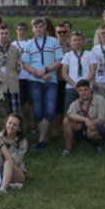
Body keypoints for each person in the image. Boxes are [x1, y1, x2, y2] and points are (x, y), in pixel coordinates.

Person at [22, 18, 64, 148]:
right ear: (33, 29)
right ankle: (43, 139)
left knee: (50, 111)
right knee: (38, 112)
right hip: (35, 80)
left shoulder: (53, 41)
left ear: (44, 27)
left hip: (51, 80)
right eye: (36, 27)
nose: (38, 29)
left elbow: (60, 61)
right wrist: (38, 73)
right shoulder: (29, 44)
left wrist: (46, 70)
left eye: (40, 26)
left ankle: (41, 139)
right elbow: (25, 64)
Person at [62, 80, 105, 154]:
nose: (83, 93)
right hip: (85, 129)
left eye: (85, 89)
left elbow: (102, 120)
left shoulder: (99, 99)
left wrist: (83, 125)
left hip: (101, 128)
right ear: (77, 92)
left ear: (90, 90)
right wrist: (85, 120)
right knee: (66, 120)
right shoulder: (75, 103)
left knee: (90, 132)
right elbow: (69, 114)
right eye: (80, 90)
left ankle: (99, 144)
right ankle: (68, 148)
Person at [0, 24, 23, 115]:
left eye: (6, 33)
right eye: (2, 33)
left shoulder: (15, 50)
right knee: (0, 115)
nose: (4, 35)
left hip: (12, 86)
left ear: (9, 34)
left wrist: (13, 76)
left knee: (15, 114)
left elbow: (18, 67)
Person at [0, 113, 27, 192]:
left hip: (17, 174)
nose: (11, 126)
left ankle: (3, 189)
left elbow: (11, 162)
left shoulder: (22, 142)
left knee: (8, 163)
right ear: (6, 123)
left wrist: (1, 144)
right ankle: (10, 185)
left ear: (19, 128)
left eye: (15, 125)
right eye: (9, 123)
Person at [61, 31, 93, 112]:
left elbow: (93, 71)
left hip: (86, 88)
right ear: (71, 42)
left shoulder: (90, 54)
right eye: (74, 40)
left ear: (83, 41)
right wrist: (75, 85)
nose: (77, 42)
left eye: (79, 40)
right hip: (71, 87)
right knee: (69, 112)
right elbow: (64, 73)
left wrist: (84, 85)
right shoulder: (67, 55)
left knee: (87, 112)